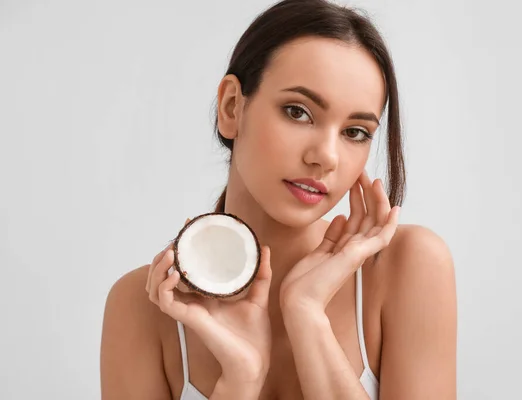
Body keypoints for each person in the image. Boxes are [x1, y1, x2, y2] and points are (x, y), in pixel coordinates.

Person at [100, 0, 457, 398]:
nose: (327, 156)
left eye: (355, 132)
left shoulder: (407, 265)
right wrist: (240, 381)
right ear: (232, 106)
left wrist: (306, 315)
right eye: (298, 111)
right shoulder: (143, 307)